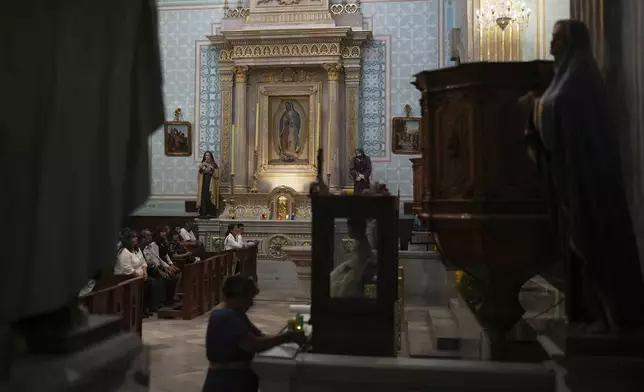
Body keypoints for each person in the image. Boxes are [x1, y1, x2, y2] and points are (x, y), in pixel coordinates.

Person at [520, 19, 644, 332]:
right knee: (581, 250)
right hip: (574, 181)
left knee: (594, 245)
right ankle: (593, 316)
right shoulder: (568, 76)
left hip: (589, 183)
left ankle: (610, 318)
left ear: (573, 42)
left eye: (557, 40)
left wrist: (534, 106)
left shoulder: (580, 76)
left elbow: (560, 112)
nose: (550, 47)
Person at [202, 275, 305, 392]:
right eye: (249, 298)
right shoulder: (225, 316)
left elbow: (260, 336)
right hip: (227, 381)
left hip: (239, 379)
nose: (251, 304)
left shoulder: (237, 314)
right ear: (238, 296)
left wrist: (288, 334)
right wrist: (286, 337)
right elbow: (253, 344)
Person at [329, 218, 377, 297]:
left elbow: (363, 262)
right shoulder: (359, 241)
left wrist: (351, 268)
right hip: (353, 267)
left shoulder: (363, 244)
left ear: (356, 230)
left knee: (342, 286)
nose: (347, 231)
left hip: (357, 272)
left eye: (349, 228)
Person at [197, 151, 221, 218]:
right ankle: (203, 212)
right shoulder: (202, 164)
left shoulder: (214, 165)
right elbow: (199, 176)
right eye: (206, 155)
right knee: (203, 198)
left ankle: (211, 212)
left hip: (211, 185)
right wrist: (202, 170)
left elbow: (217, 175)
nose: (207, 157)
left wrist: (211, 168)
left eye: (208, 155)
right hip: (204, 184)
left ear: (211, 157)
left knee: (210, 197)